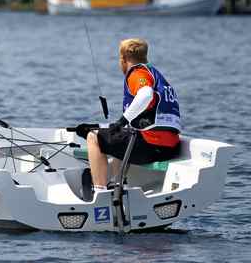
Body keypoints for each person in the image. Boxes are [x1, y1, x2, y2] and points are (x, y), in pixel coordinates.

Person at [75, 38, 182, 197]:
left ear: (123, 60)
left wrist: (121, 121)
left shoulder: (137, 73)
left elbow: (145, 95)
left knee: (92, 138)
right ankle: (118, 184)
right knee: (122, 135)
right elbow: (142, 120)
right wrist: (104, 126)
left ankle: (99, 192)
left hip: (151, 147)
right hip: (170, 148)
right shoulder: (156, 75)